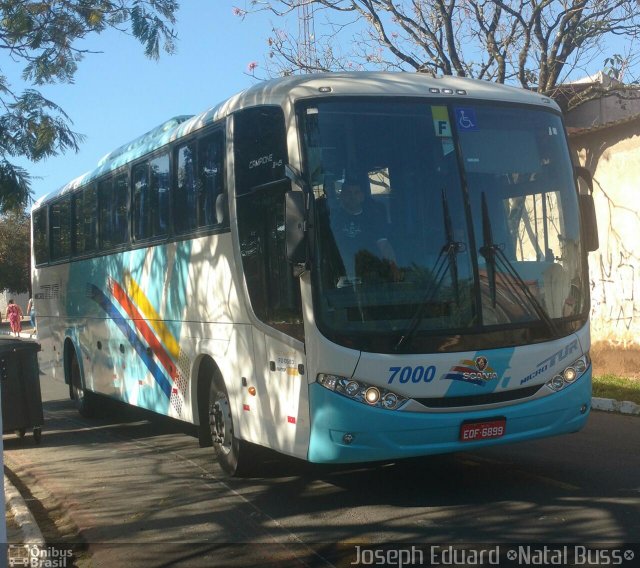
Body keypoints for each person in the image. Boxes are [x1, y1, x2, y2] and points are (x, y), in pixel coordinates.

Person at [331, 181, 399, 283]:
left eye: (356, 193)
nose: (352, 196)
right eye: (348, 193)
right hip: (341, 273)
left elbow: (384, 245)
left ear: (362, 196)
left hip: (369, 272)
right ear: (342, 196)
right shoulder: (332, 220)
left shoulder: (373, 219)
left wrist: (394, 267)